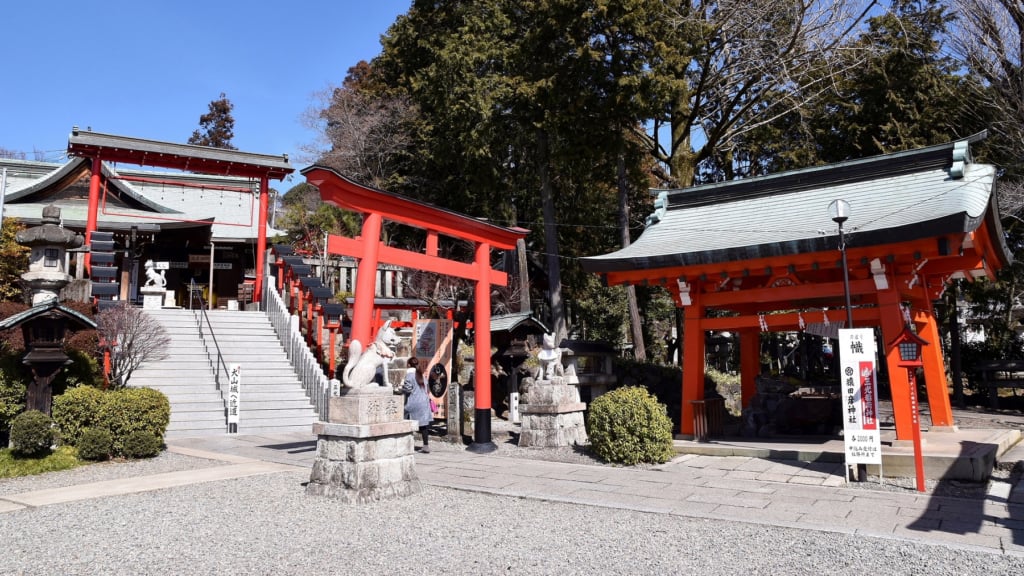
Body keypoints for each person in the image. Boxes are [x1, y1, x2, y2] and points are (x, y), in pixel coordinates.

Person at [402, 357, 433, 453]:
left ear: (409, 365)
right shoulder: (421, 376)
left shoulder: (409, 375)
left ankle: (406, 444)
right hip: (424, 403)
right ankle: (426, 446)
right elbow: (427, 389)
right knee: (423, 426)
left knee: (407, 423)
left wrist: (401, 389)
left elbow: (408, 389)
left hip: (414, 402)